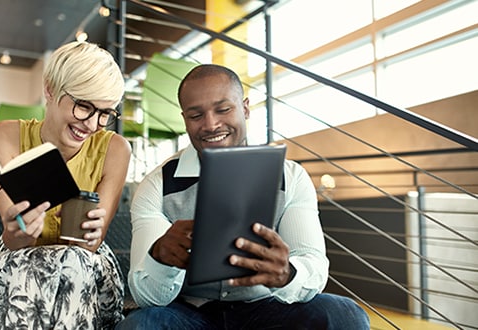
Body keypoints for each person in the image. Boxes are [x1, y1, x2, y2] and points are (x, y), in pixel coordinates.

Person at [116, 64, 370, 329]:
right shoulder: (156, 185)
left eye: (223, 109)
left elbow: (313, 265)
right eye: (196, 115)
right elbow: (147, 296)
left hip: (268, 307)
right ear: (184, 119)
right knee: (140, 325)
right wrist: (160, 258)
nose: (211, 124)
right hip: (189, 313)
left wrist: (287, 274)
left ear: (245, 108)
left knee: (343, 315)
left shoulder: (290, 176)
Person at [0, 41, 131, 329]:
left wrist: (88, 234)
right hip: (21, 257)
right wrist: (19, 230)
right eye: (83, 106)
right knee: (30, 272)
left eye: (105, 113)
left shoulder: (115, 149)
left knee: (72, 264)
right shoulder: (8, 135)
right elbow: (15, 241)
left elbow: (90, 246)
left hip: (83, 263)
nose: (91, 125)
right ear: (50, 89)